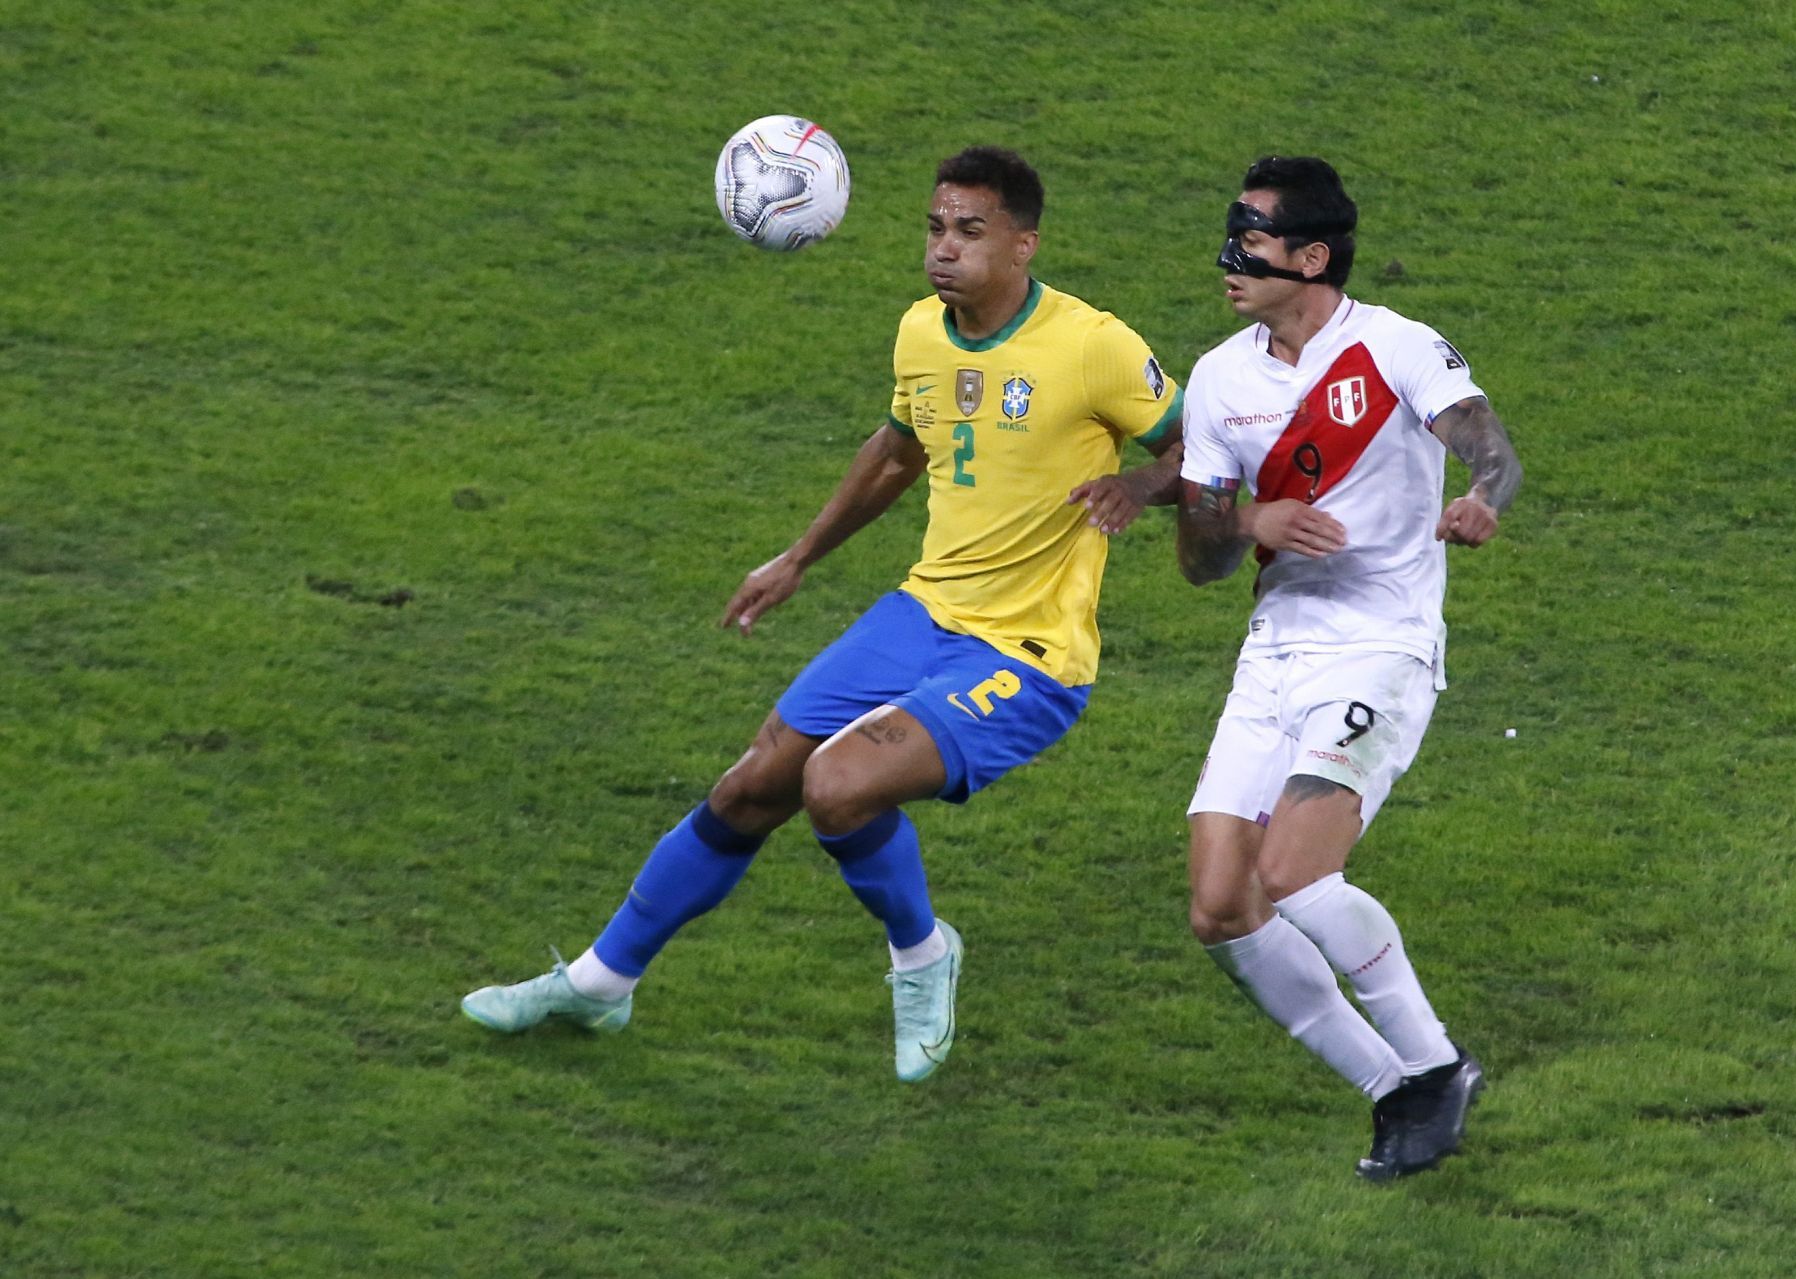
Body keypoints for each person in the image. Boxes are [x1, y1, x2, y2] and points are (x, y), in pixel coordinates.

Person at [463, 146, 1184, 1084]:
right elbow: (895, 454)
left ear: (1023, 245)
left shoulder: (1093, 345)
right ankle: (602, 980)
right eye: (935, 226)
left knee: (838, 787)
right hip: (924, 612)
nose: (944, 248)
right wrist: (797, 558)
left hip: (1030, 649)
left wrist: (1142, 480)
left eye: (970, 231)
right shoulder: (923, 333)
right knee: (751, 785)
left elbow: (1202, 448)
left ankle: (924, 955)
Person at [1174, 156, 1522, 1180]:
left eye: (1252, 239)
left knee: (1295, 870)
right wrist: (1250, 518)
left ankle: (1434, 1061)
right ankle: (1396, 1091)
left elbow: (1492, 449)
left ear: (1312, 257)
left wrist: (1482, 500)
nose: (1229, 258)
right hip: (1272, 655)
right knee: (1221, 906)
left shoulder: (1395, 347)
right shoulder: (1219, 379)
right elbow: (1199, 560)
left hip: (1381, 646)